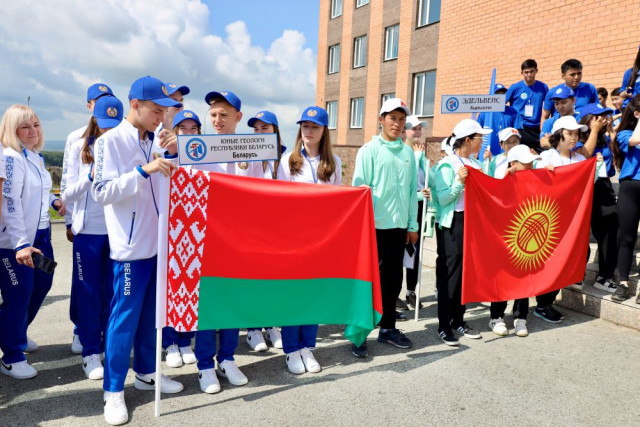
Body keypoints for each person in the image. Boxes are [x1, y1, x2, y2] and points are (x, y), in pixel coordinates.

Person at [92, 76, 184, 425]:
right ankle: (113, 392)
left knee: (151, 317)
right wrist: (143, 170)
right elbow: (101, 191)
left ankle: (146, 373)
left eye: (165, 112)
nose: (161, 118)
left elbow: (173, 178)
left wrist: (174, 151)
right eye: (156, 111)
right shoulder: (109, 142)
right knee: (124, 320)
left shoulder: (156, 140)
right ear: (135, 105)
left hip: (159, 242)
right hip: (130, 248)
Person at [0, 104, 66, 379]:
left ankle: (17, 331)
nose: (33, 131)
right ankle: (12, 356)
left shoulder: (34, 157)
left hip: (42, 234)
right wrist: (20, 244)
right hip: (16, 240)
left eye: (36, 125)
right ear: (12, 130)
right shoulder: (10, 159)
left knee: (44, 283)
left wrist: (54, 200)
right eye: (25, 127)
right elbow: (10, 204)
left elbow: (39, 190)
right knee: (19, 294)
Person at [61, 95, 124, 380]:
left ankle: (107, 347)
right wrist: (90, 176)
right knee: (88, 294)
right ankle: (89, 352)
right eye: (105, 124)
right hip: (89, 233)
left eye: (115, 125)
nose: (109, 131)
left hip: (118, 231)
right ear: (95, 119)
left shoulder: (124, 146)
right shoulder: (79, 146)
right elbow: (66, 194)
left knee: (112, 295)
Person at [352, 98, 418, 356]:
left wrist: (412, 225)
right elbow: (360, 190)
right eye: (392, 118)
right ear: (381, 119)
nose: (397, 124)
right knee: (368, 283)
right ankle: (359, 334)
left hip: (399, 229)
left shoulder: (407, 153)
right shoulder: (368, 150)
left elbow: (412, 192)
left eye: (402, 119)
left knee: (393, 282)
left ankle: (387, 328)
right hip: (373, 229)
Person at [278, 106, 341, 370]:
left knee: (314, 294)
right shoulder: (288, 160)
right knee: (294, 294)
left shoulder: (333, 162)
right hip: (294, 239)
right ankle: (291, 350)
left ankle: (308, 347)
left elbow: (339, 201)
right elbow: (279, 199)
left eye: (315, 127)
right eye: (305, 126)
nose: (309, 131)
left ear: (324, 130)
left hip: (321, 241)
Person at [194, 90, 248, 394]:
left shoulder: (250, 150)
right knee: (208, 305)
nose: (217, 120)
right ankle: (204, 365)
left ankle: (227, 358)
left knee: (233, 302)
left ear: (238, 117)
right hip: (207, 240)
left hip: (238, 241)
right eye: (213, 115)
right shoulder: (197, 149)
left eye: (224, 115)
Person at [433, 119, 490, 346]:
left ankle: (459, 320)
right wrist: (459, 182)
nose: (482, 141)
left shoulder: (477, 164)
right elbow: (443, 199)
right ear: (468, 140)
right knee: (451, 275)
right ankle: (444, 326)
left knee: (466, 275)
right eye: (479, 137)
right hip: (453, 223)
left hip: (473, 223)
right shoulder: (447, 165)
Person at [238, 110, 285, 352]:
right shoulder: (247, 154)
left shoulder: (285, 157)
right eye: (255, 130)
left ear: (275, 131)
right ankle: (253, 329)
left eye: (264, 129)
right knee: (253, 280)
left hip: (276, 229)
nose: (259, 134)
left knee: (273, 280)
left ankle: (272, 326)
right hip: (252, 228)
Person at [535, 116, 589, 322]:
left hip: (574, 220)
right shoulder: (546, 157)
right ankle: (543, 304)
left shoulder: (581, 160)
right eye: (570, 133)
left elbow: (588, 184)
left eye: (576, 134)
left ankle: (548, 301)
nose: (574, 137)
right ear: (559, 135)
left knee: (571, 258)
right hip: (552, 221)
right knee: (551, 261)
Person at [160, 109, 202, 368]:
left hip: (196, 234)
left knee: (191, 289)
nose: (187, 134)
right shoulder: (161, 158)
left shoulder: (203, 160)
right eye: (182, 129)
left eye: (193, 129)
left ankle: (186, 340)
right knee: (170, 290)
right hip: (169, 234)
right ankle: (170, 342)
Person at [487, 142, 538, 338]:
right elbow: (492, 199)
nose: (531, 167)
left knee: (525, 274)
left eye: (532, 163)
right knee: (503, 276)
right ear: (514, 163)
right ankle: (496, 316)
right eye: (527, 164)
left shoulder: (534, 178)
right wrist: (502, 180)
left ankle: (520, 317)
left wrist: (551, 172)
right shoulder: (502, 178)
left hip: (526, 237)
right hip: (504, 237)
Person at [576, 104, 619, 293]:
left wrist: (611, 133)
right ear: (588, 120)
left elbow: (615, 159)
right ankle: (576, 274)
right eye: (598, 117)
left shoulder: (604, 138)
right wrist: (593, 131)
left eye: (605, 116)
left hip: (603, 187)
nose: (603, 119)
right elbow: (583, 155)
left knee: (610, 233)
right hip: (583, 190)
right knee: (580, 235)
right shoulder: (576, 139)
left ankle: (604, 277)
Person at [611, 94, 640, 303]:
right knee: (627, 238)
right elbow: (634, 140)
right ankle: (623, 283)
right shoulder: (625, 133)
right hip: (630, 189)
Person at [403, 115, 429, 310]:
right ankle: (392, 294)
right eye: (414, 128)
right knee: (399, 253)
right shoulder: (404, 152)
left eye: (420, 128)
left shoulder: (421, 153)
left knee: (414, 252)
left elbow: (426, 180)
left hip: (419, 208)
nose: (418, 132)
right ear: (405, 130)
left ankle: (411, 292)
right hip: (404, 208)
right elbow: (407, 186)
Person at [505, 59, 549, 152]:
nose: (529, 74)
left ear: (536, 71)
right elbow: (500, 104)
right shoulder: (515, 87)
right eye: (526, 72)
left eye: (531, 71)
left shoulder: (543, 87)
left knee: (541, 156)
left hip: (537, 128)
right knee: (521, 157)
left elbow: (550, 106)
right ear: (522, 73)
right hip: (520, 127)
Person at [541, 59, 598, 124]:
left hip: (583, 129)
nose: (576, 77)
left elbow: (597, 110)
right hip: (559, 130)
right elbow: (544, 117)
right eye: (572, 74)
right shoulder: (553, 92)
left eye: (579, 73)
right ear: (563, 76)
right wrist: (543, 133)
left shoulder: (590, 88)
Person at [476, 83, 517, 159]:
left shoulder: (512, 112)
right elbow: (478, 133)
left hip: (506, 154)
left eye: (503, 94)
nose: (500, 97)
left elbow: (517, 132)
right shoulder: (484, 112)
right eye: (498, 94)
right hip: (487, 153)